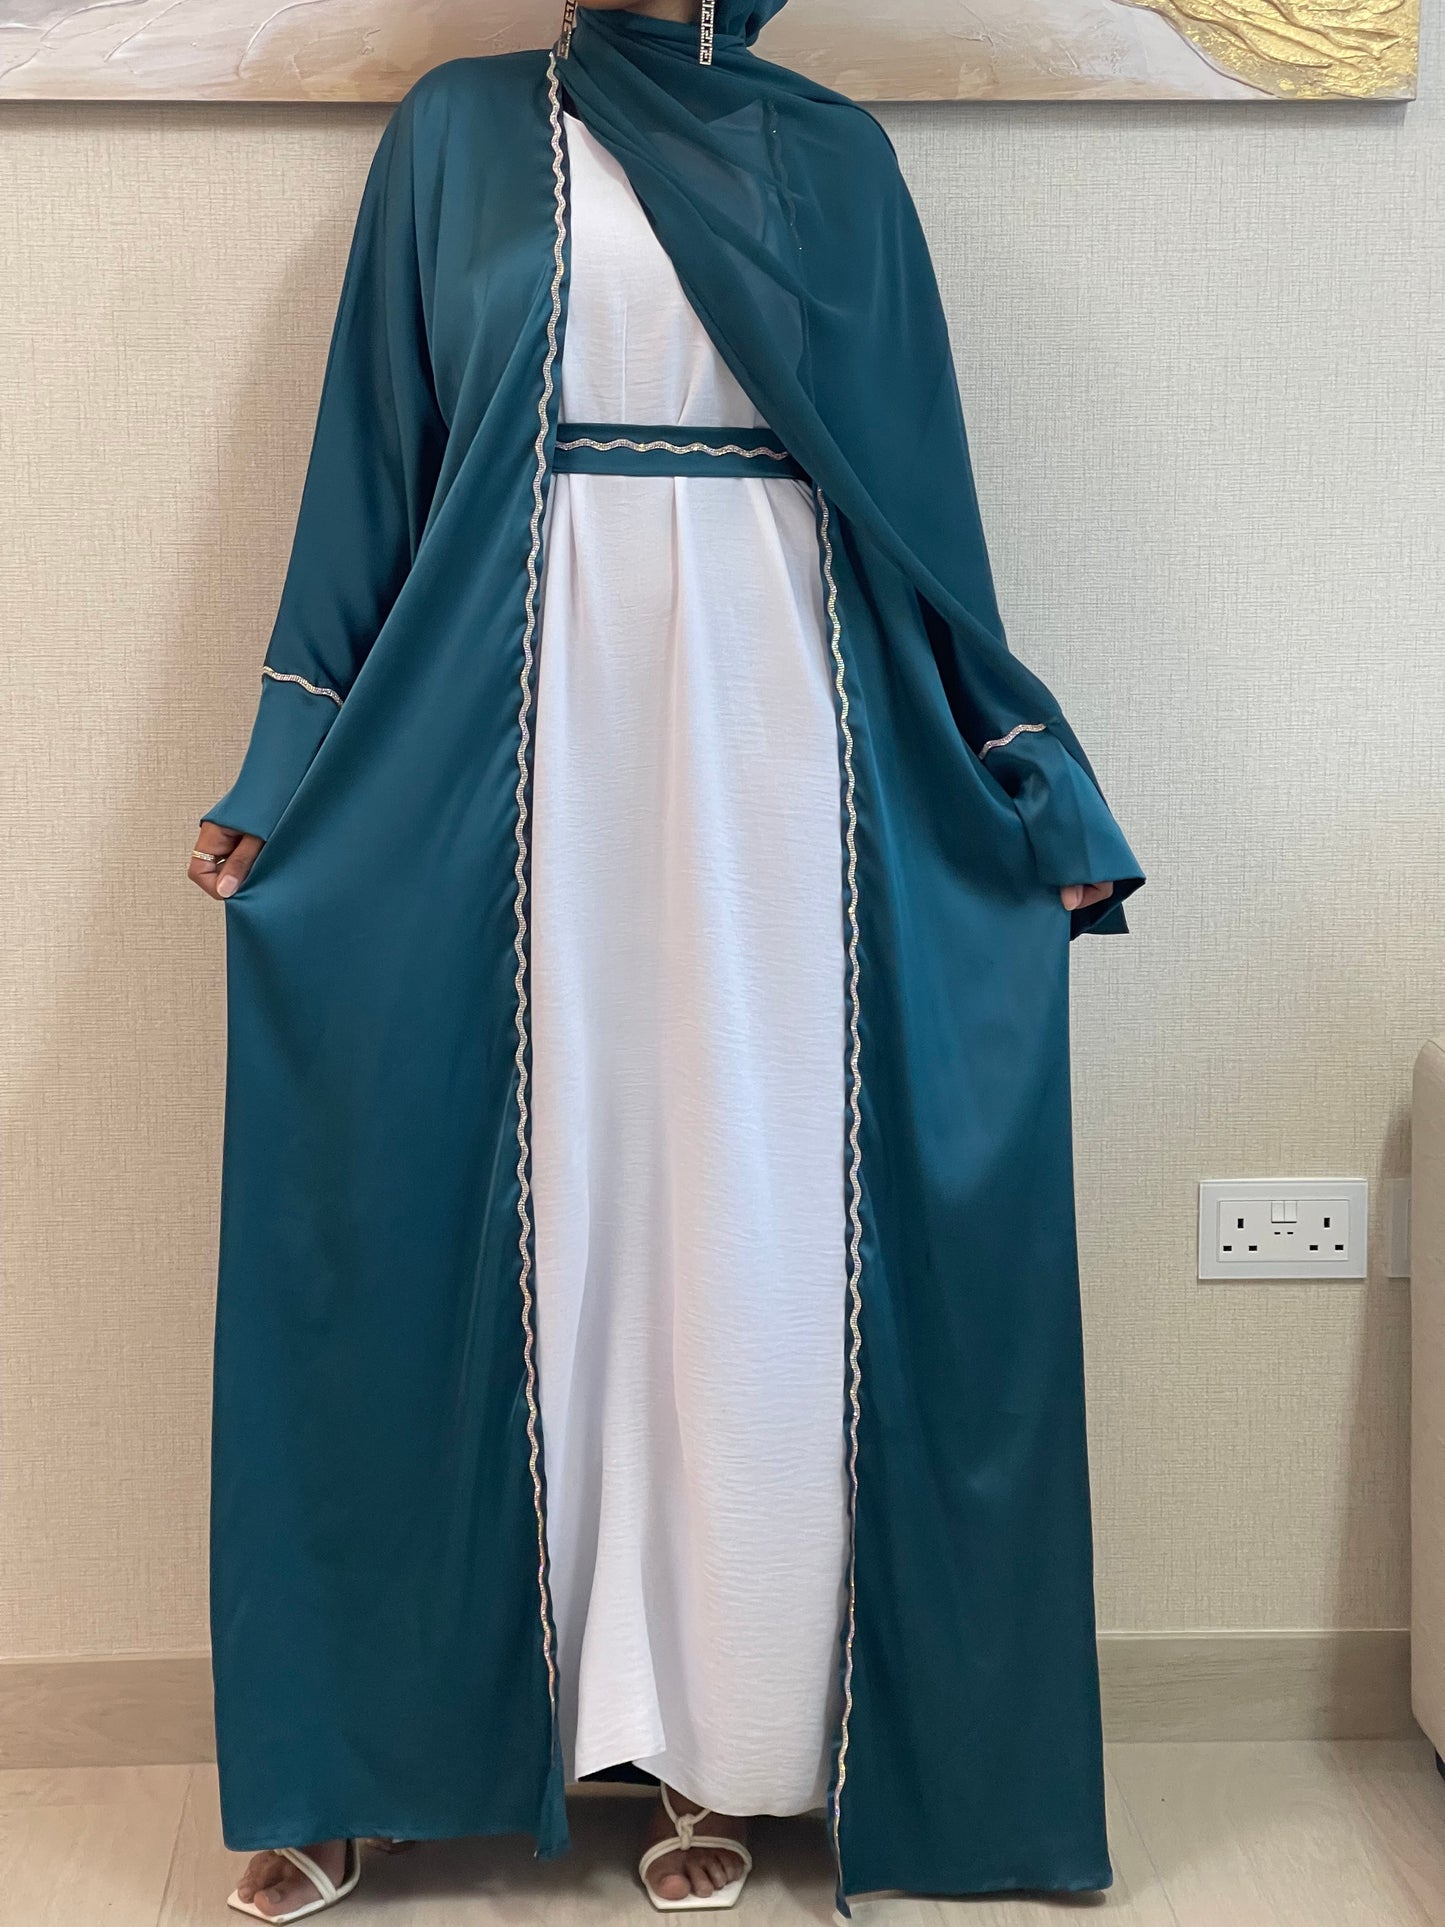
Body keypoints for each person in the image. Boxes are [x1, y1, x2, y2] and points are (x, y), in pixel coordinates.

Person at [190, 1, 1143, 1918]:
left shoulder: (835, 162)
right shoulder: (457, 135)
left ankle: (719, 1739)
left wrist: (1019, 775)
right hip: (505, 720)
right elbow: (370, 470)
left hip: (784, 731)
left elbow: (920, 506)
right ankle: (381, 1755)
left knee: (745, 1226)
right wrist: (288, 769)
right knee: (484, 1211)